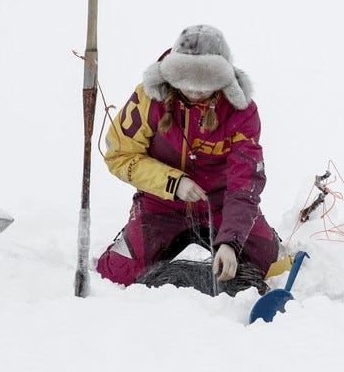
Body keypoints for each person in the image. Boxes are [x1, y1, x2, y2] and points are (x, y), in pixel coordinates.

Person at [96, 24, 280, 295]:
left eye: (204, 84)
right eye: (185, 80)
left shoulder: (242, 111)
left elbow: (245, 182)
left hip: (220, 206)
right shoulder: (148, 98)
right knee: (117, 273)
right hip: (161, 205)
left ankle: (260, 241)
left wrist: (231, 241)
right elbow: (119, 156)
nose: (194, 91)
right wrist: (173, 183)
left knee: (271, 264)